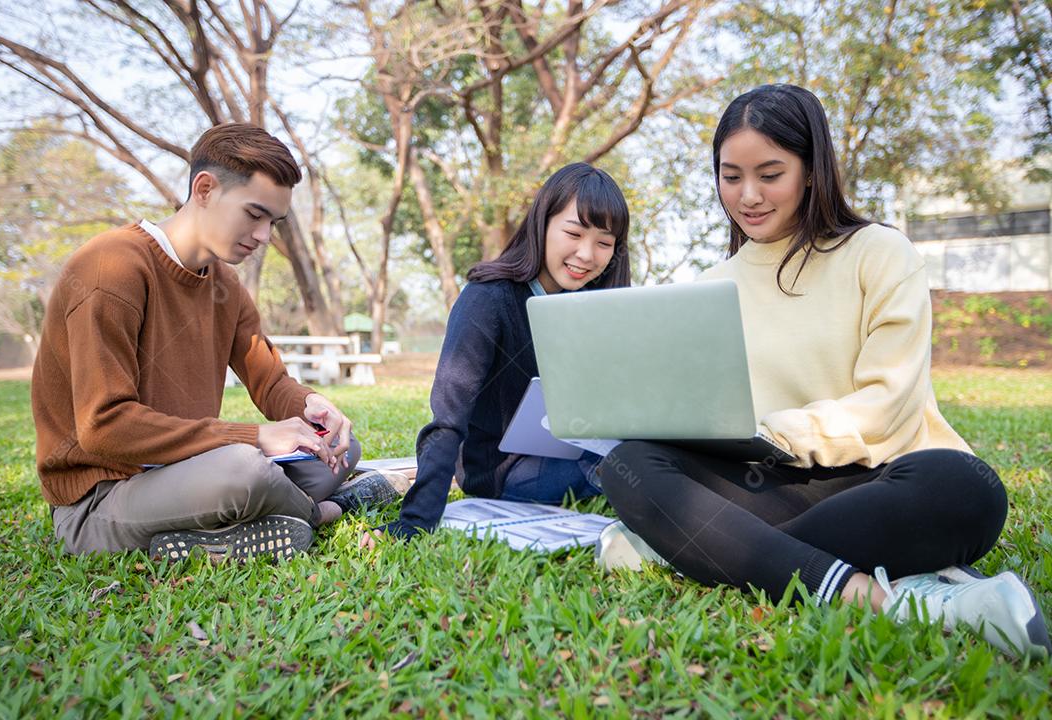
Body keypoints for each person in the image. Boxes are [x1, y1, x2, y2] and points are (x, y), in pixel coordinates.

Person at [595, 84, 1050, 659]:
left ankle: (680, 548)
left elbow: (887, 404)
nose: (749, 195)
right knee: (628, 464)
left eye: (770, 173)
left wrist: (777, 436)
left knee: (969, 488)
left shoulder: (880, 253)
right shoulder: (708, 287)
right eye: (730, 176)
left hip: (884, 478)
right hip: (769, 483)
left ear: (811, 170)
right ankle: (897, 598)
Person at [33, 123, 405, 563]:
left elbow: (270, 384)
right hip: (99, 500)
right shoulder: (111, 267)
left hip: (183, 473)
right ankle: (327, 511)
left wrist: (312, 406)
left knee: (341, 449)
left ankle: (226, 534)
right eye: (254, 214)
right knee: (245, 468)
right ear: (205, 189)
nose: (265, 236)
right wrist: (256, 437)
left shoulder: (225, 286)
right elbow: (103, 427)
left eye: (273, 222)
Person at [362, 163, 631, 546]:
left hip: (582, 448)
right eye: (573, 233)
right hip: (503, 471)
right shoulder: (489, 298)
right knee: (640, 465)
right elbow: (447, 419)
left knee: (655, 449)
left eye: (604, 243)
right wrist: (416, 521)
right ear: (542, 224)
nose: (587, 254)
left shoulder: (594, 305)